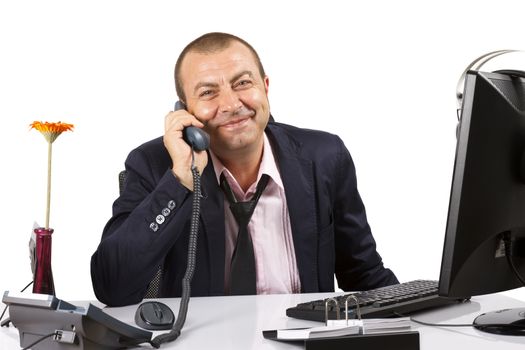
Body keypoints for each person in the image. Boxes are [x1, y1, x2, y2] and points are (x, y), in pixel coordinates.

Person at [90, 32, 398, 307]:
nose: (231, 103)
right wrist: (181, 180)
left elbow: (363, 274)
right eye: (208, 92)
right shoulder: (155, 164)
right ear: (184, 112)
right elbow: (113, 286)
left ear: (265, 87)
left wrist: (424, 314)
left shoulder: (325, 157)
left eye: (243, 83)